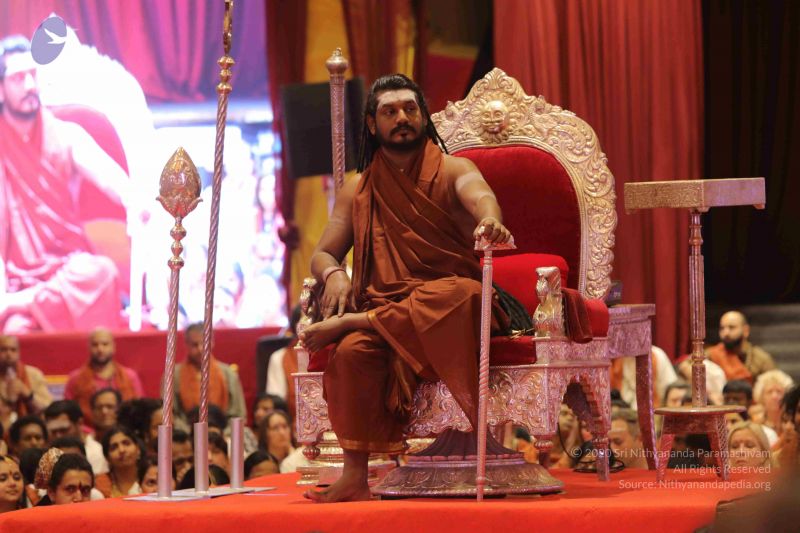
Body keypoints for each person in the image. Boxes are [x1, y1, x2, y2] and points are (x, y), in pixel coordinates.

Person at [299, 74, 511, 502]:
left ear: (423, 116)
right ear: (371, 123)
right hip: (392, 311)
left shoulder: (453, 169)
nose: (402, 118)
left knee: (466, 294)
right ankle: (355, 477)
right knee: (351, 353)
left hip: (447, 308)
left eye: (410, 109)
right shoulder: (358, 188)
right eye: (390, 111)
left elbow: (480, 195)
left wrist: (490, 218)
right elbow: (322, 253)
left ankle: (357, 321)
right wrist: (334, 274)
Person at [0, 35, 130, 334]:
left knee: (102, 273)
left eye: (33, 75)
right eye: (18, 78)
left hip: (67, 269)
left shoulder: (66, 134)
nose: (30, 85)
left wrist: (136, 201)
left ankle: (21, 304)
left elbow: (113, 180)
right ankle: (25, 305)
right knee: (17, 333)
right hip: (18, 277)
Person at [64, 328, 143, 424]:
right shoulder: (75, 379)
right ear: (88, 347)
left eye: (105, 344)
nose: (100, 349)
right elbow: (68, 415)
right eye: (95, 345)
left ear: (113, 347)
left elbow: (139, 410)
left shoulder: (130, 377)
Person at [173, 323, 246, 425]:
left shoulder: (228, 373)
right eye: (194, 345)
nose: (200, 349)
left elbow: (238, 413)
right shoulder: (174, 375)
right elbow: (171, 414)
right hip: (186, 431)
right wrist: (189, 431)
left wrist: (222, 432)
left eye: (204, 343)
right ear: (186, 345)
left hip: (224, 430)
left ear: (212, 342)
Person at [705, 311, 776, 383]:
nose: (726, 333)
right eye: (722, 328)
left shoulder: (762, 360)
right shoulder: (710, 355)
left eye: (731, 327)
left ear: (746, 331)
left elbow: (772, 385)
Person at [43, 399, 108, 475]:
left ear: (79, 423)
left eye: (63, 430)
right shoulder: (46, 453)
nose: (58, 436)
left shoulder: (96, 453)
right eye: (53, 431)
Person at [0, 335, 52, 419]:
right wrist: (10, 401)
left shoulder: (34, 374)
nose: (8, 354)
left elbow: (48, 408)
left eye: (13, 350)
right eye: (3, 350)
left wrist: (27, 395)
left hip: (31, 424)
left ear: (19, 353)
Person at [265, 305, 302, 419]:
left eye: (314, 318)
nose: (309, 324)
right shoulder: (279, 357)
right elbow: (277, 403)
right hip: (291, 423)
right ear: (295, 325)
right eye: (304, 319)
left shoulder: (331, 354)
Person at [95, 425, 144, 497]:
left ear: (138, 449)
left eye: (126, 443)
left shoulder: (151, 477)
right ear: (107, 458)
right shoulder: (99, 484)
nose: (121, 450)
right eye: (114, 447)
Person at [752, 369, 795, 438]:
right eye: (769, 392)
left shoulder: (793, 422)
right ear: (761, 397)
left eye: (779, 391)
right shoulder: (755, 423)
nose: (774, 396)